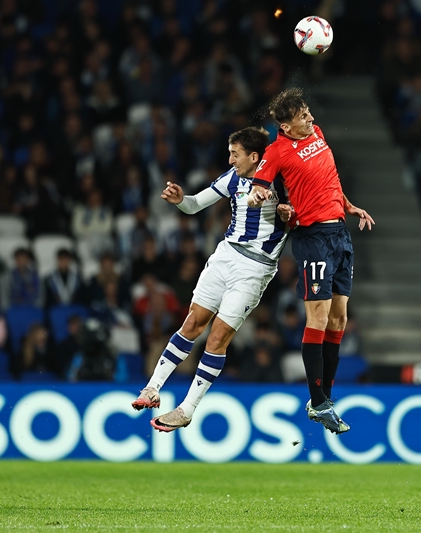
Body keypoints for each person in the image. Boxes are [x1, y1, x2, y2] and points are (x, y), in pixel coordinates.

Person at [131, 127, 292, 433]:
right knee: (192, 323)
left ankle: (187, 409)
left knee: (217, 337)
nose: (230, 159)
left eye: (235, 154)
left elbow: (296, 216)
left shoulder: (281, 180)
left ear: (254, 156)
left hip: (255, 268)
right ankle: (152, 388)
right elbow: (194, 205)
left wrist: (287, 215)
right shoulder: (233, 178)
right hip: (225, 256)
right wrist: (181, 200)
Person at [248, 87, 374, 434]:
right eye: (304, 116)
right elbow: (260, 185)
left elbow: (328, 178)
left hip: (340, 235)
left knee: (339, 319)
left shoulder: (316, 134)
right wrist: (261, 194)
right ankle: (317, 400)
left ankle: (325, 400)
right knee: (317, 318)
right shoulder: (276, 152)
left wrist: (348, 205)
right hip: (312, 237)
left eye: (308, 113)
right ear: (286, 126)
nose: (311, 119)